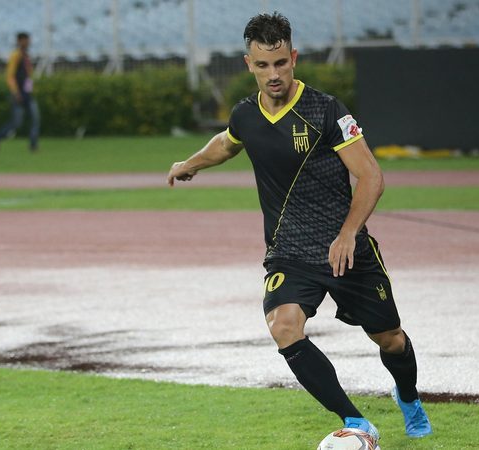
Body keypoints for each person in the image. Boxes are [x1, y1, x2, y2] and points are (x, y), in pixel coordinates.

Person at [166, 12, 432, 444]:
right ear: (249, 64)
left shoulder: (326, 110)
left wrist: (348, 234)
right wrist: (189, 163)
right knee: (284, 326)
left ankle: (408, 396)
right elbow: (227, 142)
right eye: (262, 65)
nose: (273, 74)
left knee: (391, 339)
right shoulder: (246, 114)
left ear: (293, 58)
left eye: (280, 63)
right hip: (289, 252)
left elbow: (371, 177)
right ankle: (356, 422)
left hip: (345, 249)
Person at [0, 32, 40, 153]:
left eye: (28, 40)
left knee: (35, 118)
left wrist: (30, 89)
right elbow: (10, 76)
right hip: (18, 94)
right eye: (25, 40)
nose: (28, 42)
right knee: (16, 123)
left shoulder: (26, 56)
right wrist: (15, 92)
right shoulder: (15, 56)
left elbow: (28, 76)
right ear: (19, 41)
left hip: (27, 94)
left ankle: (33, 145)